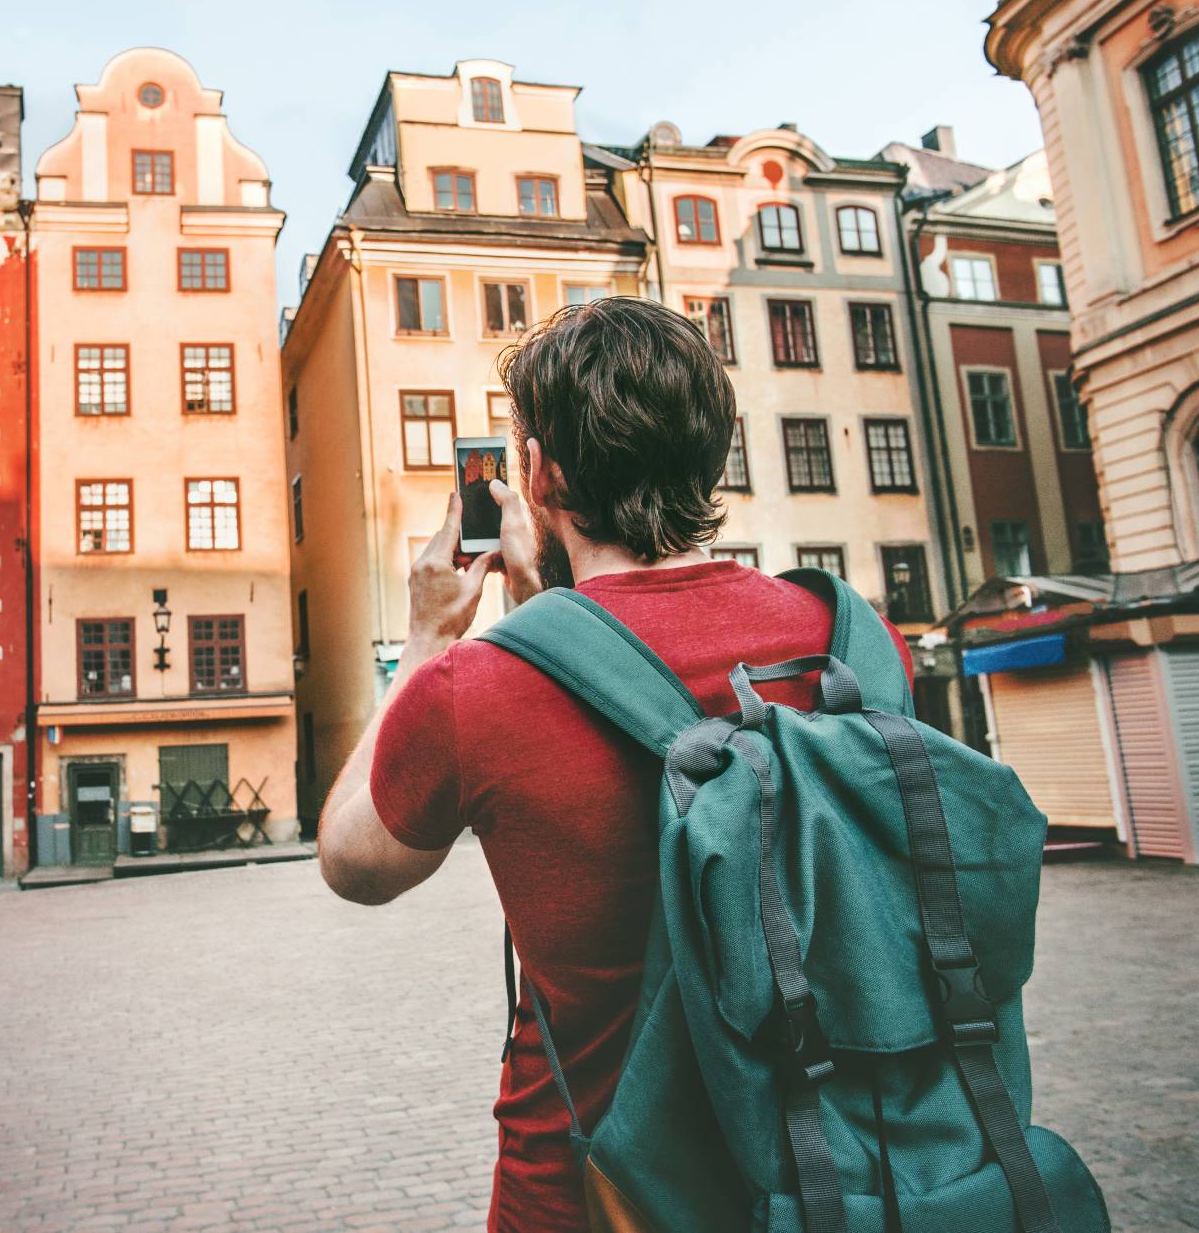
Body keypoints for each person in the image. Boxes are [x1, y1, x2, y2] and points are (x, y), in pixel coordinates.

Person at [316, 296, 911, 1232]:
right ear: (712, 451)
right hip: (838, 1171)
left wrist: (427, 638)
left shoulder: (479, 687)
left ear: (538, 471)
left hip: (593, 1191)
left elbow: (353, 864)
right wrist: (549, 614)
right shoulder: (854, 641)